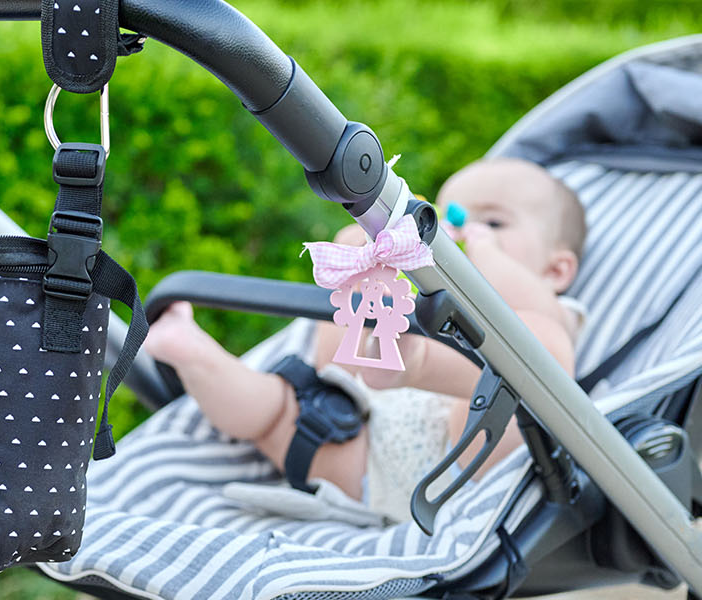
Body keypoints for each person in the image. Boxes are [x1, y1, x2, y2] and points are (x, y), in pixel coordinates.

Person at [145, 158, 587, 523]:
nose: (461, 228)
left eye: (492, 220)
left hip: (460, 456)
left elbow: (527, 323)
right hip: (345, 434)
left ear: (557, 270)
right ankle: (189, 349)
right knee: (271, 409)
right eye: (448, 215)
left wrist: (479, 250)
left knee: (539, 353)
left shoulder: (557, 310)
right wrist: (371, 254)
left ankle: (409, 361)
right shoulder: (422, 301)